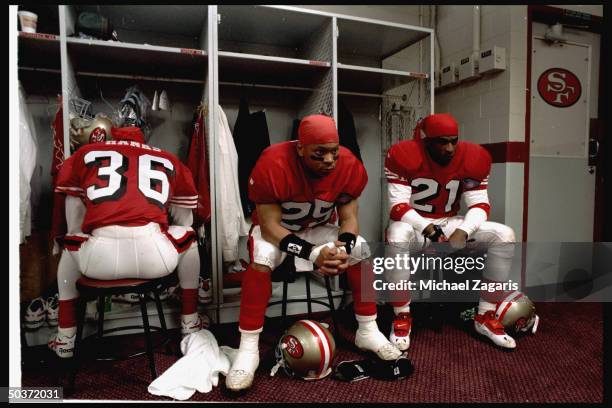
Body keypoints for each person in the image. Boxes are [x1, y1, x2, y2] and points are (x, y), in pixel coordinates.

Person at [225, 114, 402, 391]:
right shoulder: (273, 162)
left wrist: (342, 247)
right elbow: (269, 227)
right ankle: (248, 350)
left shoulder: (348, 164)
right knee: (261, 257)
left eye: (333, 152)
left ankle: (368, 330)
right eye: (319, 154)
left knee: (362, 248)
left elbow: (349, 218)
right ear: (300, 148)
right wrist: (311, 254)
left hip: (319, 227)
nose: (329, 160)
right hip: (280, 231)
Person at [48, 126, 205, 358]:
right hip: (154, 258)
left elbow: (74, 214)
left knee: (70, 245)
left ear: (113, 137)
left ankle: (66, 336)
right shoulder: (168, 158)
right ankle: (190, 321)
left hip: (98, 261)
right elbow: (184, 216)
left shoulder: (85, 154)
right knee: (188, 237)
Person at [384, 113, 520, 350]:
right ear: (426, 142)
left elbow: (480, 205)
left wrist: (464, 231)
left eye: (453, 141)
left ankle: (485, 316)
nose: (449, 148)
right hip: (415, 225)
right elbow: (398, 208)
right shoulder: (404, 154)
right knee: (396, 235)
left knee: (504, 235)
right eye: (442, 141)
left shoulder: (473, 157)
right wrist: (429, 230)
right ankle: (402, 316)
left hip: (449, 221)